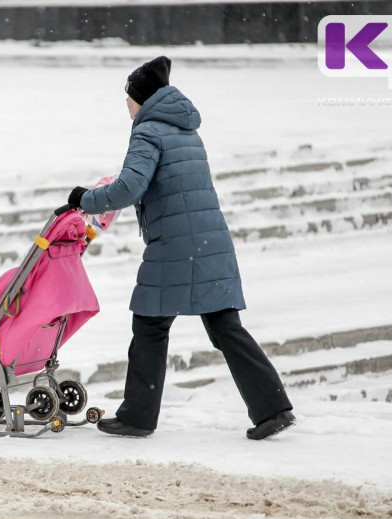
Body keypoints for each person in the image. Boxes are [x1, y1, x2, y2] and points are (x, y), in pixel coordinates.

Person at [67, 56, 295, 440]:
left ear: (141, 97)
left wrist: (84, 198)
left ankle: (138, 417)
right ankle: (273, 408)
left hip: (177, 244)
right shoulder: (186, 129)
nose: (126, 104)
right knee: (225, 327)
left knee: (150, 324)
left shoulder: (148, 132)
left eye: (128, 96)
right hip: (208, 240)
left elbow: (129, 188)